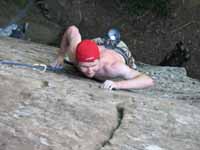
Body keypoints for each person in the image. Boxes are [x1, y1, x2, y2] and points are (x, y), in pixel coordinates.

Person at [51, 25, 154, 90]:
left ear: (99, 59)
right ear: (77, 60)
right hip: (97, 43)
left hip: (120, 50)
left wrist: (117, 85)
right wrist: (60, 56)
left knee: (133, 69)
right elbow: (72, 30)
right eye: (84, 66)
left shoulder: (113, 67)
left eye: (93, 65)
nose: (89, 71)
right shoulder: (74, 54)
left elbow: (148, 81)